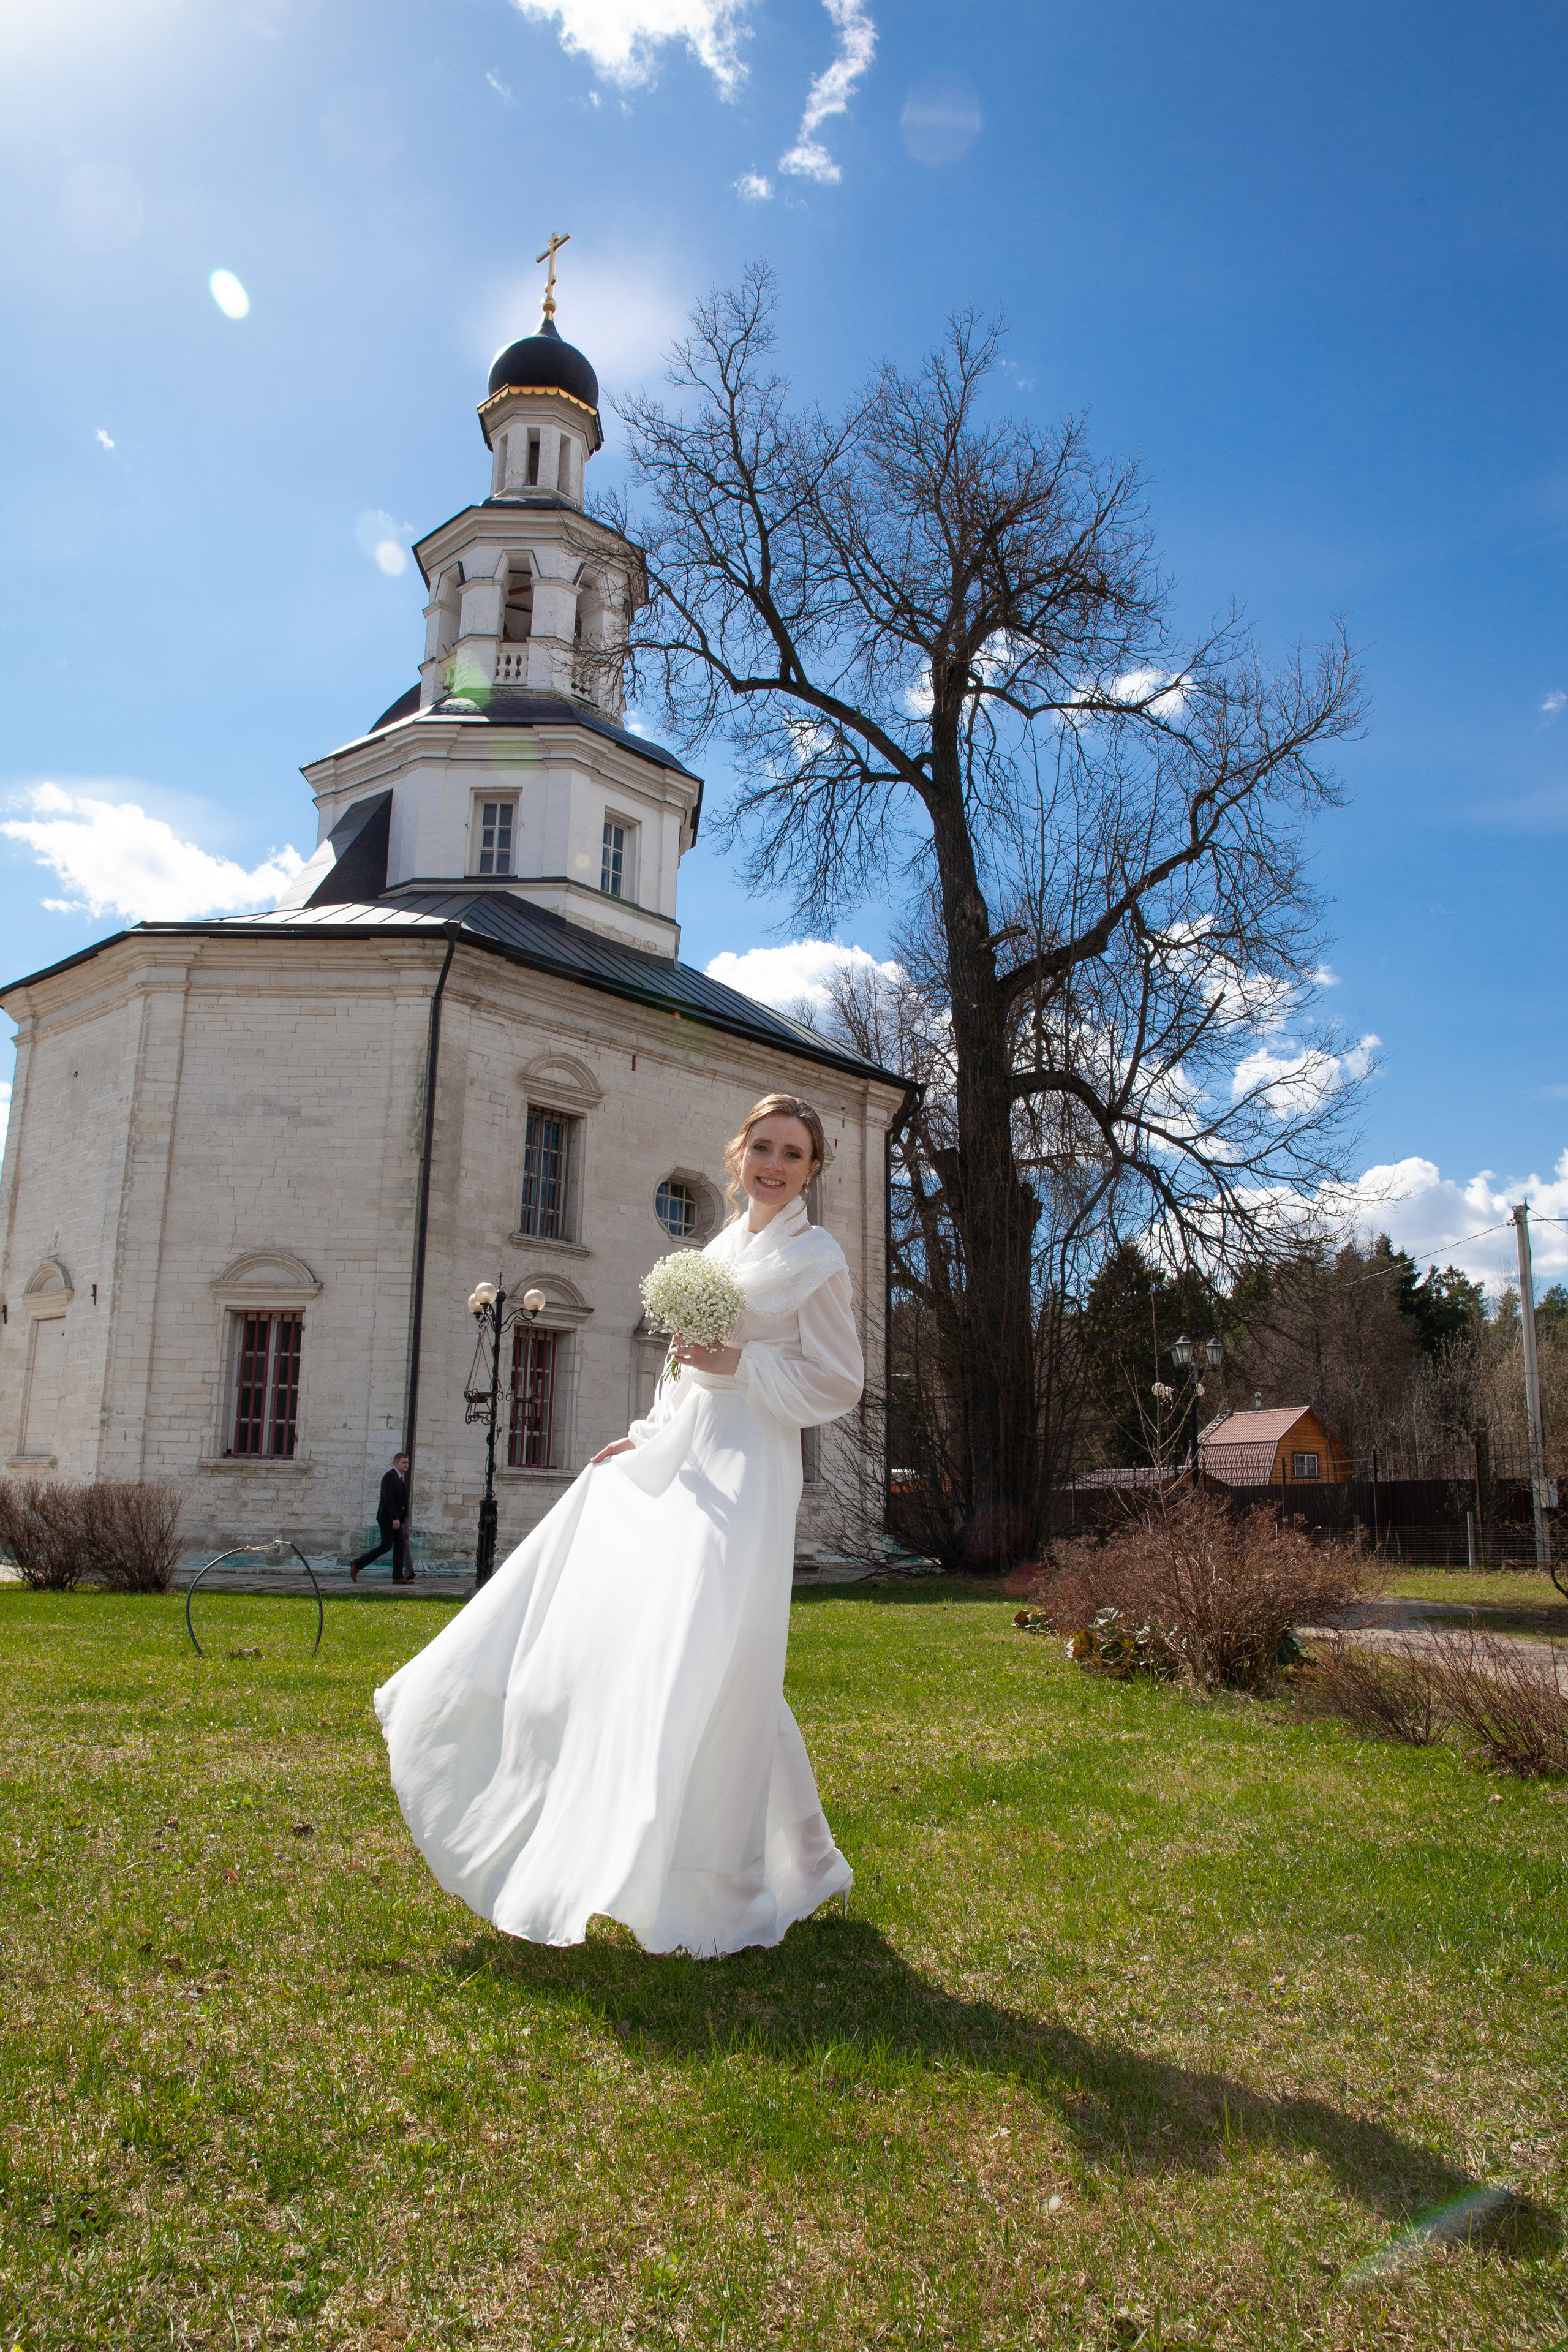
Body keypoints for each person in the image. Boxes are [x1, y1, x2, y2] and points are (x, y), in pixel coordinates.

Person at [375, 1092, 862, 1957]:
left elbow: (838, 1383)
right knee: (700, 1648)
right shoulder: (717, 1248)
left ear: (813, 1171)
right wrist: (640, 1437)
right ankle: (803, 1860)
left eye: (793, 1154)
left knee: (709, 1645)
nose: (775, 1166)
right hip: (686, 1451)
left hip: (750, 1464)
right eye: (763, 1148)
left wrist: (740, 1363)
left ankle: (721, 1884)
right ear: (736, 1153)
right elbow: (681, 1367)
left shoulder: (817, 1258)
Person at [351, 1452, 413, 1584]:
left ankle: (398, 1576)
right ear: (396, 1464)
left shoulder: (400, 1478)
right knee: (386, 1546)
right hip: (388, 1519)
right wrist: (394, 1519)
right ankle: (357, 1564)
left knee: (400, 1545)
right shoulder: (390, 1477)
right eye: (404, 1463)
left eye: (407, 1463)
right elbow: (388, 1499)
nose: (406, 1465)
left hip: (396, 1520)